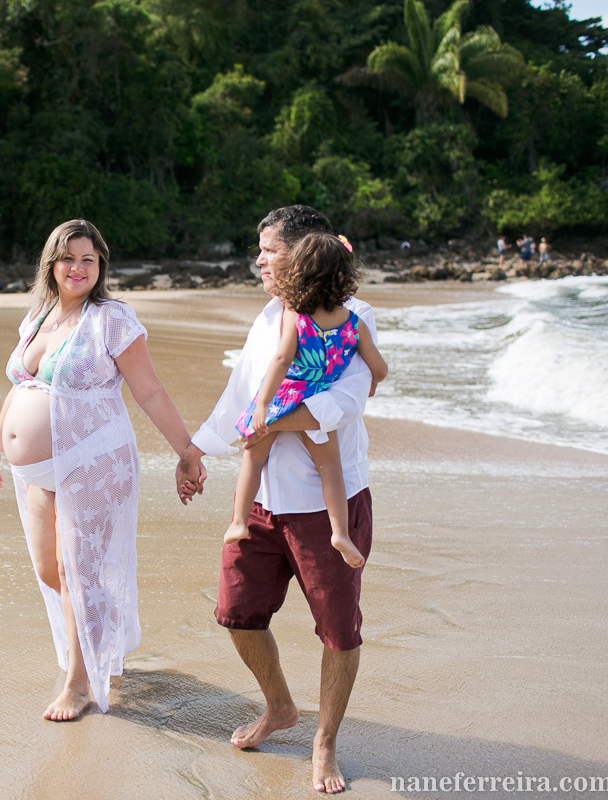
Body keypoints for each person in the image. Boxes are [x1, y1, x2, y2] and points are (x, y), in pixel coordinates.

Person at [175, 205, 376, 795]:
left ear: (306, 251)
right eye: (258, 249)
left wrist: (272, 423)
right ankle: (281, 706)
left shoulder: (352, 314)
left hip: (327, 503)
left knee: (338, 631)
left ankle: (325, 743)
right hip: (261, 500)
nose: (258, 259)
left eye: (270, 250)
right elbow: (239, 396)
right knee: (236, 613)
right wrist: (196, 453)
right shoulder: (267, 318)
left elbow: (352, 396)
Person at [0, 219, 198, 721]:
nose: (77, 268)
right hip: (38, 470)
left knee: (80, 571)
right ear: (51, 264)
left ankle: (78, 683)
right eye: (68, 258)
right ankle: (101, 638)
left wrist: (185, 450)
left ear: (100, 266)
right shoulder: (38, 316)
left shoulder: (111, 319)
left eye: (89, 260)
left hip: (94, 462)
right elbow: (22, 386)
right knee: (50, 570)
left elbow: (149, 390)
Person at [225, 232, 387, 574]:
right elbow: (380, 367)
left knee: (253, 455)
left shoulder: (297, 316)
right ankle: (340, 533)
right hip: (320, 402)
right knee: (331, 469)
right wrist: (372, 380)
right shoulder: (354, 323)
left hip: (289, 394)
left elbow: (281, 359)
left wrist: (262, 406)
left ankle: (239, 521)